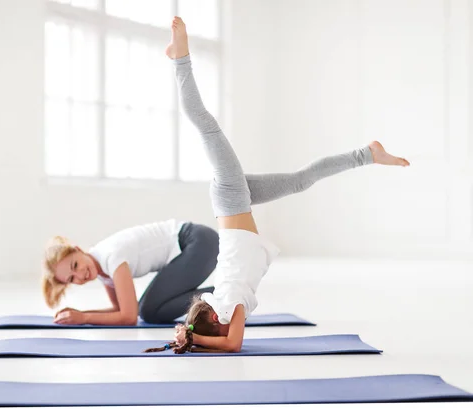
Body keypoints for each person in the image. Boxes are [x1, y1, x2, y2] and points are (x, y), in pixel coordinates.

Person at [151, 16, 409, 353]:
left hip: (231, 199)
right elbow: (222, 336)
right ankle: (368, 154)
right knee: (301, 181)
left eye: (219, 329)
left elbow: (233, 344)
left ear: (217, 321)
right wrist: (191, 334)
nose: (229, 329)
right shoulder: (222, 300)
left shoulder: (229, 304)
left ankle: (180, 57)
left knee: (204, 123)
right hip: (234, 201)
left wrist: (194, 338)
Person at [42, 219, 219, 325]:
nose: (80, 275)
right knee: (148, 311)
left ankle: (227, 292)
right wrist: (78, 314)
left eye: (75, 265)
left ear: (78, 249)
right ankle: (222, 293)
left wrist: (83, 317)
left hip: (199, 242)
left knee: (149, 311)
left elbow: (128, 317)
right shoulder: (101, 270)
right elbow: (121, 309)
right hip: (196, 244)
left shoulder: (111, 257)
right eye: (72, 279)